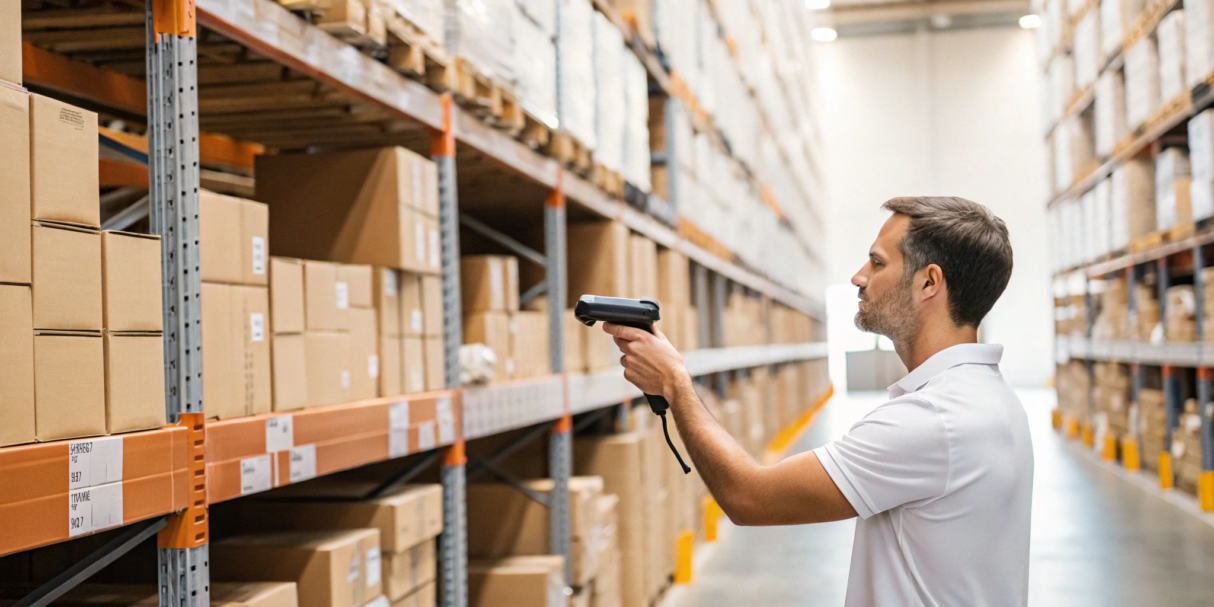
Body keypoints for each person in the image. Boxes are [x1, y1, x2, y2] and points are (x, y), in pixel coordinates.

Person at [603, 196, 1033, 606]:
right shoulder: (990, 399)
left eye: (877, 262)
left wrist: (676, 384)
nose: (858, 276)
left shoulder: (933, 421)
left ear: (929, 282)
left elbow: (750, 498)